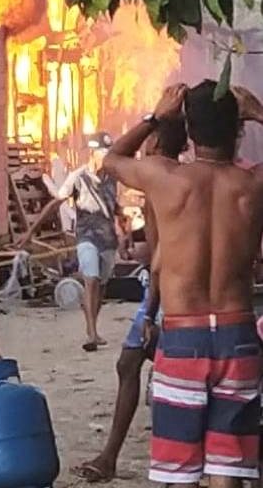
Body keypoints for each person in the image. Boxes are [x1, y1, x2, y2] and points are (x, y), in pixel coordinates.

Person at [103, 81, 263, 487]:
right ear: (238, 128)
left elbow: (111, 159)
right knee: (227, 471)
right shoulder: (253, 185)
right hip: (238, 334)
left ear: (188, 130)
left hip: (183, 338)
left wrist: (156, 116)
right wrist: (259, 111)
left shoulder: (164, 177)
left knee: (180, 470)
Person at [73, 117, 188, 483]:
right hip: (164, 287)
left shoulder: (159, 182)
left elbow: (161, 257)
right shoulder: (180, 178)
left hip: (168, 291)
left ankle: (120, 458)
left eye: (149, 141)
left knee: (145, 365)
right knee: (131, 363)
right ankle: (111, 457)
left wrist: (152, 308)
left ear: (153, 146)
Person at [21, 145, 119, 351]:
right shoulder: (78, 177)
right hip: (86, 237)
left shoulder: (112, 177)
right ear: (93, 154)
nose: (106, 157)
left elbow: (113, 208)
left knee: (100, 286)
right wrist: (30, 232)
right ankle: (91, 333)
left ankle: (94, 327)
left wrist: (124, 234)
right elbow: (55, 204)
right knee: (90, 280)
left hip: (109, 240)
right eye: (103, 153)